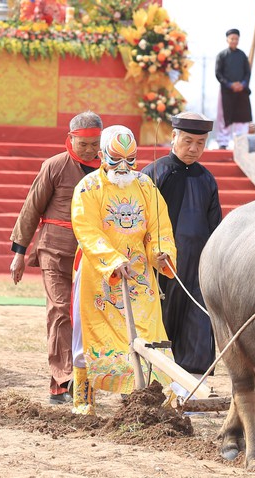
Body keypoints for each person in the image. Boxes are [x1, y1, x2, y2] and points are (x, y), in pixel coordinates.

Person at [70, 126, 177, 415]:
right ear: (103, 155)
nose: (123, 167)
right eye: (116, 158)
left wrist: (161, 253)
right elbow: (87, 231)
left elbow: (159, 228)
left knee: (147, 331)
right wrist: (113, 260)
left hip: (139, 274)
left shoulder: (145, 186)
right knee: (90, 334)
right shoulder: (89, 188)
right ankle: (83, 398)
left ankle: (148, 397)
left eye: (130, 159)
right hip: (99, 273)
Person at [9, 111, 102, 405]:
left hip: (92, 256)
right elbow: (31, 208)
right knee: (61, 311)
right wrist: (19, 254)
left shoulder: (108, 171)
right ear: (70, 139)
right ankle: (62, 381)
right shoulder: (54, 166)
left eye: (95, 144)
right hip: (54, 251)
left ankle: (85, 376)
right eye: (83, 143)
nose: (89, 150)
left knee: (87, 314)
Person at [142, 112, 222, 377]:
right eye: (188, 141)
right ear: (173, 137)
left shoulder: (207, 179)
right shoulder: (154, 173)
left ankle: (191, 384)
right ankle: (154, 379)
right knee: (160, 318)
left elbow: (215, 225)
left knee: (197, 321)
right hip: (161, 263)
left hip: (197, 264)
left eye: (201, 143)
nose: (194, 148)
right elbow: (141, 222)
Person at [215, 28, 252, 150]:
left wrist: (242, 84)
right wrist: (230, 85)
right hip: (226, 91)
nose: (234, 41)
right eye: (232, 38)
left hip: (241, 91)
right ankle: (223, 142)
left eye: (236, 39)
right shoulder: (221, 55)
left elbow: (247, 72)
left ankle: (240, 142)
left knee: (241, 117)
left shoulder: (242, 55)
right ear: (227, 39)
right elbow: (218, 73)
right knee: (224, 116)